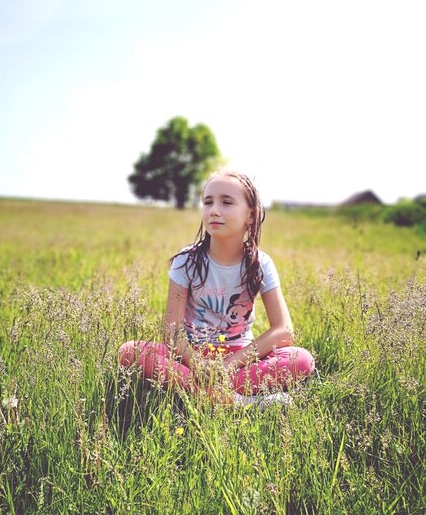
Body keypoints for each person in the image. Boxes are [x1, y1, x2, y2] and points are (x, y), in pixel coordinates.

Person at [119, 170, 315, 408]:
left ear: (251, 216)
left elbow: (283, 330)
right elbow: (172, 332)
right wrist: (198, 364)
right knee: (129, 352)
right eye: (208, 202)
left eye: (227, 202)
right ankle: (239, 402)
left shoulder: (260, 264)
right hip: (191, 356)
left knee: (301, 359)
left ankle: (204, 395)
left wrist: (228, 364)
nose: (214, 210)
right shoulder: (186, 261)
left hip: (240, 357)